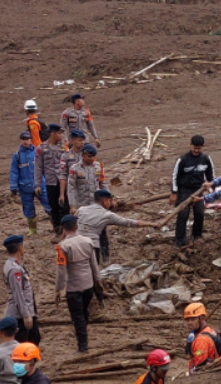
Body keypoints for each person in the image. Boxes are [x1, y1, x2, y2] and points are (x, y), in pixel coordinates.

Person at [52, 215, 100, 352]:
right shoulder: (88, 241)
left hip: (74, 287)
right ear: (76, 226)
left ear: (63, 228)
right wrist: (97, 280)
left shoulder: (62, 247)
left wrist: (58, 289)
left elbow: (61, 271)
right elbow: (94, 264)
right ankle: (84, 334)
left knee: (77, 316)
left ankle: (83, 344)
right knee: (84, 312)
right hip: (88, 284)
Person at [77, 189, 158, 261]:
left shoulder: (81, 209)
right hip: (91, 246)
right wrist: (151, 224)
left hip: (76, 243)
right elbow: (128, 222)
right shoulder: (107, 215)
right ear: (104, 201)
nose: (111, 203)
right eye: (110, 201)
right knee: (91, 273)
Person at [170, 136, 213, 248]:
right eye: (194, 148)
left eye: (199, 148)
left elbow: (210, 176)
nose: (196, 150)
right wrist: (174, 193)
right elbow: (175, 176)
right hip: (184, 190)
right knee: (183, 214)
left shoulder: (206, 159)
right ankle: (180, 241)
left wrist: (211, 188)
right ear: (190, 145)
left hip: (198, 190)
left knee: (199, 213)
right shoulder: (183, 159)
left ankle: (197, 236)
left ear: (202, 147)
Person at [3, 236, 40, 346]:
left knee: (34, 338)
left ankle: (30, 362)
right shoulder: (14, 269)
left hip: (25, 310)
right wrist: (26, 315)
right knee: (23, 343)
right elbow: (18, 293)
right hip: (20, 314)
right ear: (20, 248)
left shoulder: (14, 264)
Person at [8, 133, 44, 236]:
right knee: (28, 209)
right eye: (23, 139)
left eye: (27, 139)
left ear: (31, 140)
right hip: (25, 188)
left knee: (48, 206)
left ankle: (56, 227)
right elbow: (14, 172)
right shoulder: (17, 155)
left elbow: (45, 168)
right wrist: (13, 186)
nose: (25, 141)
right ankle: (32, 229)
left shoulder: (38, 153)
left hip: (40, 185)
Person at [36, 124, 66, 234]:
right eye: (59, 133)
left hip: (63, 181)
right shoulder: (42, 148)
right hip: (51, 182)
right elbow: (38, 167)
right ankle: (57, 228)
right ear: (52, 134)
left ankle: (65, 228)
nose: (61, 136)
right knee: (53, 206)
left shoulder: (63, 147)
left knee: (64, 205)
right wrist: (37, 184)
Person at [182, 303, 221, 373]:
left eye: (193, 319)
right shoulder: (209, 330)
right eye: (187, 320)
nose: (189, 323)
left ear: (202, 318)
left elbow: (200, 367)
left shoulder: (201, 339)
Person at [62, 144, 103, 214]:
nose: (92, 158)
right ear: (83, 155)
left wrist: (109, 197)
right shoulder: (75, 169)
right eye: (89, 156)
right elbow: (71, 188)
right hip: (81, 205)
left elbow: (102, 183)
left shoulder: (98, 167)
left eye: (93, 156)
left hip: (95, 203)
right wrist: (72, 206)